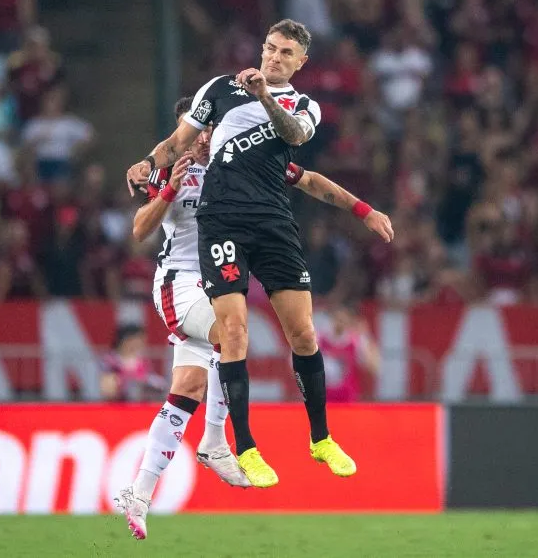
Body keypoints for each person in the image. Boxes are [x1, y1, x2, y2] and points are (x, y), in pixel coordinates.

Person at [116, 96, 393, 540]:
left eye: (211, 126)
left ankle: (139, 494)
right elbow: (140, 230)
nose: (205, 136)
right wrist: (169, 186)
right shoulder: (168, 169)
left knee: (185, 390)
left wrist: (363, 210)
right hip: (180, 284)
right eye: (198, 128)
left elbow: (310, 180)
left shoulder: (242, 161)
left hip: (214, 286)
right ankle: (215, 443)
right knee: (232, 334)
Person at [319, 306, 380, 404]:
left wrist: (366, 337)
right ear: (331, 320)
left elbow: (373, 367)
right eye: (337, 319)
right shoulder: (320, 340)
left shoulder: (356, 342)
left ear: (349, 322)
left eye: (343, 320)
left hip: (347, 398)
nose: (339, 323)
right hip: (324, 398)